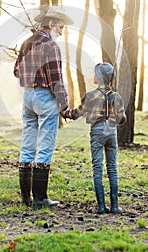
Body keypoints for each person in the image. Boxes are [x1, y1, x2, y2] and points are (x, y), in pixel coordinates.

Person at [14, 11, 73, 207]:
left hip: (28, 96)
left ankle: (25, 198)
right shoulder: (51, 46)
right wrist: (63, 105)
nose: (62, 32)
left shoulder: (26, 43)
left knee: (27, 146)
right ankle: (40, 198)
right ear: (51, 24)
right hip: (44, 97)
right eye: (61, 27)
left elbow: (16, 71)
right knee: (45, 148)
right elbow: (56, 80)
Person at [61, 62, 126, 214]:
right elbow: (122, 119)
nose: (94, 76)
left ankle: (102, 207)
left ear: (101, 77)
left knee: (98, 168)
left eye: (96, 73)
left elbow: (76, 114)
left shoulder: (90, 96)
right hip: (112, 132)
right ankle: (115, 206)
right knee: (112, 168)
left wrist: (64, 113)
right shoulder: (116, 97)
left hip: (97, 132)